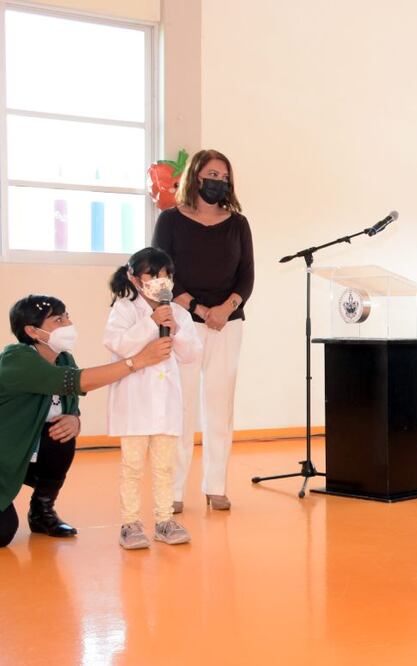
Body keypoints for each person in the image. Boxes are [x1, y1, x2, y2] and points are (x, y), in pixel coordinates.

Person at [0, 296, 172, 548]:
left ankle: (41, 511)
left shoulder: (63, 359)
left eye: (67, 316)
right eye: (59, 320)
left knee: (61, 433)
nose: (69, 323)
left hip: (21, 452)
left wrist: (75, 420)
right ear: (31, 331)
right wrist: (139, 360)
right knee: (3, 534)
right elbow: (81, 381)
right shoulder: (17, 360)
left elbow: (71, 403)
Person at [152, 149, 254, 512]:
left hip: (227, 323)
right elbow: (160, 274)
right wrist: (197, 308)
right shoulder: (170, 220)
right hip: (183, 323)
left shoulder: (238, 223)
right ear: (196, 176)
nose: (219, 182)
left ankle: (216, 485)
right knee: (180, 408)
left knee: (219, 406)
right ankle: (174, 490)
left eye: (224, 178)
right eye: (213, 174)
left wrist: (225, 310)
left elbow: (246, 276)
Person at [105, 248, 202, 549]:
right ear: (135, 279)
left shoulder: (179, 313)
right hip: (134, 402)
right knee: (132, 466)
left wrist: (175, 329)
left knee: (164, 466)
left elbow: (191, 354)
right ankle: (130, 523)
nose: (161, 282)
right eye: (153, 276)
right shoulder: (124, 309)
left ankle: (164, 520)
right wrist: (151, 321)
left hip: (165, 405)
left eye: (167, 276)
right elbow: (118, 344)